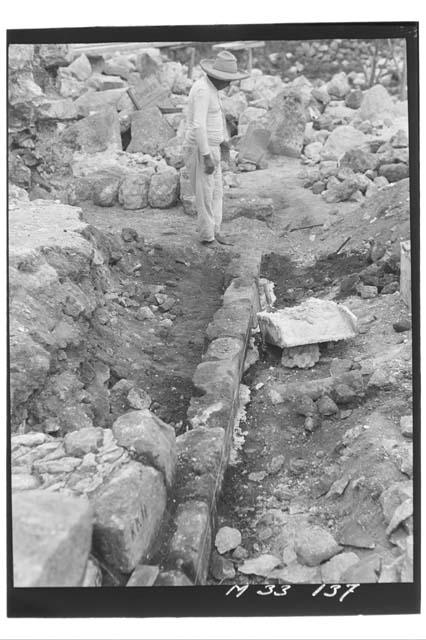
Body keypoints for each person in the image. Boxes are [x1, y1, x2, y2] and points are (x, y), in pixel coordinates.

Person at [183, 50, 249, 246]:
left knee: (217, 192)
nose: (229, 84)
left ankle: (215, 229)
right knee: (205, 195)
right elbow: (198, 125)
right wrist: (206, 155)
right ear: (217, 76)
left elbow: (215, 119)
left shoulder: (212, 89)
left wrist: (223, 142)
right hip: (201, 148)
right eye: (227, 79)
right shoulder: (203, 90)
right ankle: (207, 236)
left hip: (213, 147)